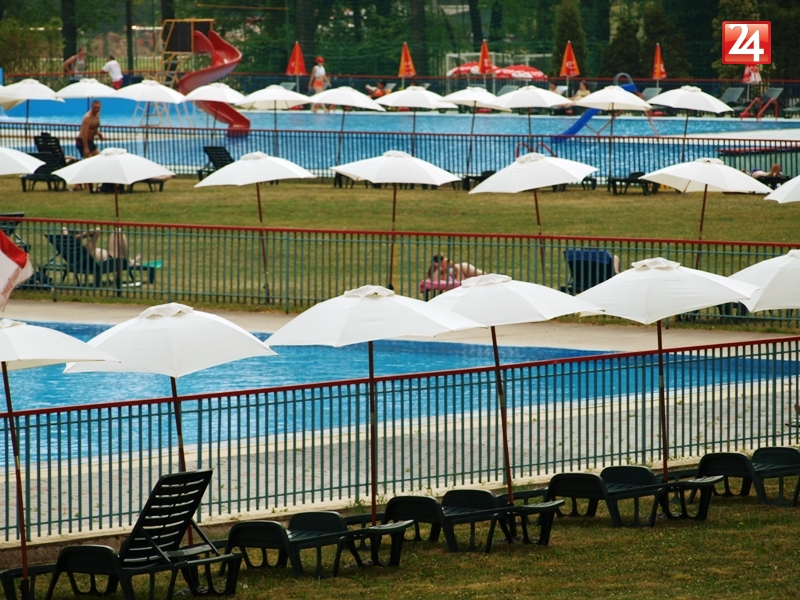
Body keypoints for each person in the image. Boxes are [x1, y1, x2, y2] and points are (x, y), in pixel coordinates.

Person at [71, 227, 140, 265]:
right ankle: (129, 261)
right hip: (110, 259)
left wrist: (72, 238)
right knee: (118, 231)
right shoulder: (85, 249)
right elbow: (97, 230)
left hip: (107, 255)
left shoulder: (73, 252)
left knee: (118, 231)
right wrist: (81, 236)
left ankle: (129, 260)